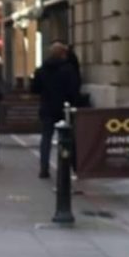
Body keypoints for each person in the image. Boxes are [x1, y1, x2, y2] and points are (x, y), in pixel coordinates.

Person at [31, 41, 83, 179]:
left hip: (47, 107)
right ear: (62, 54)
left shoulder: (42, 70)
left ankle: (44, 168)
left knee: (46, 138)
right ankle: (74, 167)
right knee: (70, 138)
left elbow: (34, 89)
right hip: (64, 108)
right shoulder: (68, 69)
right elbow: (74, 88)